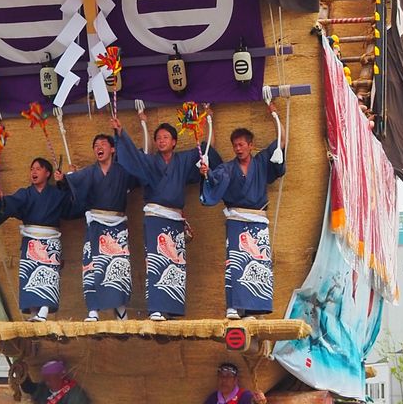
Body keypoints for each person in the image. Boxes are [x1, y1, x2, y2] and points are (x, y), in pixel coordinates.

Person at [111, 112, 220, 321]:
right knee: (156, 262)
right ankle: (156, 309)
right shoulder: (149, 162)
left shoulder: (184, 159)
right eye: (158, 138)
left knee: (175, 264)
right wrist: (121, 132)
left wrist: (209, 121)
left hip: (175, 221)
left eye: (165, 137)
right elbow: (132, 156)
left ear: (174, 142)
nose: (161, 141)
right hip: (155, 219)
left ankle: (171, 310)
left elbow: (207, 149)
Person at [200, 105, 286, 319]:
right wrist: (206, 172)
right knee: (235, 264)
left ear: (250, 145)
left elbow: (282, 141)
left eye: (241, 144)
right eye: (235, 145)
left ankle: (253, 310)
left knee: (258, 263)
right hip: (236, 221)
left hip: (258, 221)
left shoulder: (262, 162)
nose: (238, 149)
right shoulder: (228, 169)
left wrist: (274, 113)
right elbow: (214, 179)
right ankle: (234, 307)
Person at [54, 133, 137, 322]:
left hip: (117, 228)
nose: (98, 147)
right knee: (93, 267)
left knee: (118, 269)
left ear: (112, 149)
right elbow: (73, 183)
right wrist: (63, 179)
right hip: (96, 227)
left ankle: (121, 310)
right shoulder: (90, 172)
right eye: (95, 145)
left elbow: (140, 169)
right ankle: (93, 310)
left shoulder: (123, 171)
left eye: (103, 144)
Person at [0, 157, 75, 322]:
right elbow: (10, 203)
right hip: (30, 242)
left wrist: (67, 181)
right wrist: (0, 199)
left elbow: (72, 202)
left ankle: (43, 311)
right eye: (32, 169)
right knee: (29, 277)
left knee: (48, 276)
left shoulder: (56, 193)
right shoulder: (25, 194)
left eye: (38, 168)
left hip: (49, 242)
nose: (34, 172)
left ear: (47, 173)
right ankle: (33, 313)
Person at [21, 360, 90, 404]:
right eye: (45, 379)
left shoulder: (75, 394)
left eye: (50, 379)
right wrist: (21, 373)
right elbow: (28, 388)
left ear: (61, 376)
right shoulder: (45, 388)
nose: (47, 383)